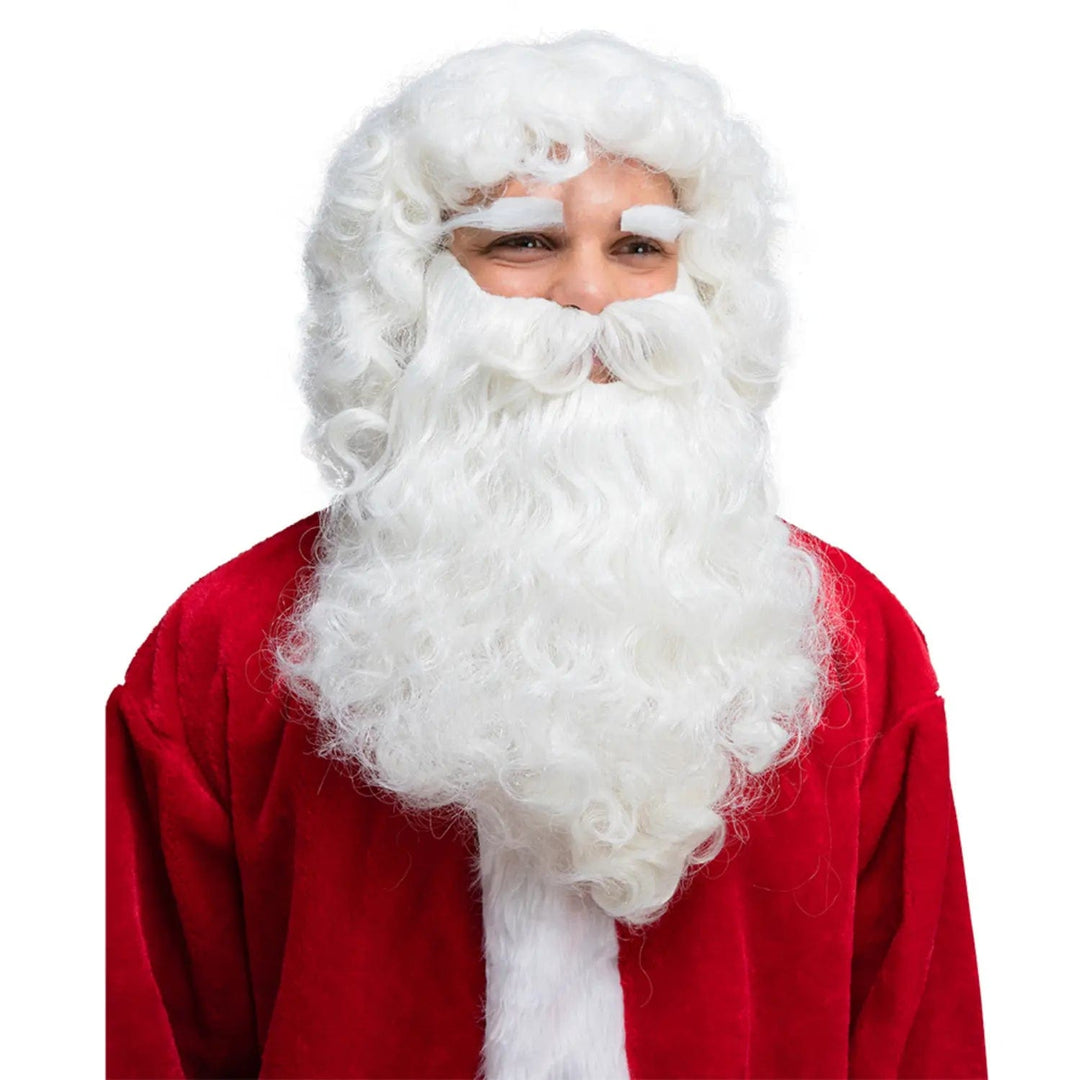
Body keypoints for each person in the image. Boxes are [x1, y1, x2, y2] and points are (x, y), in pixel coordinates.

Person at [106, 32, 986, 1079]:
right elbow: (158, 1030)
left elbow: (916, 1028)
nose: (590, 295)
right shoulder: (223, 647)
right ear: (415, 291)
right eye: (523, 245)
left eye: (638, 249)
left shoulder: (849, 641)